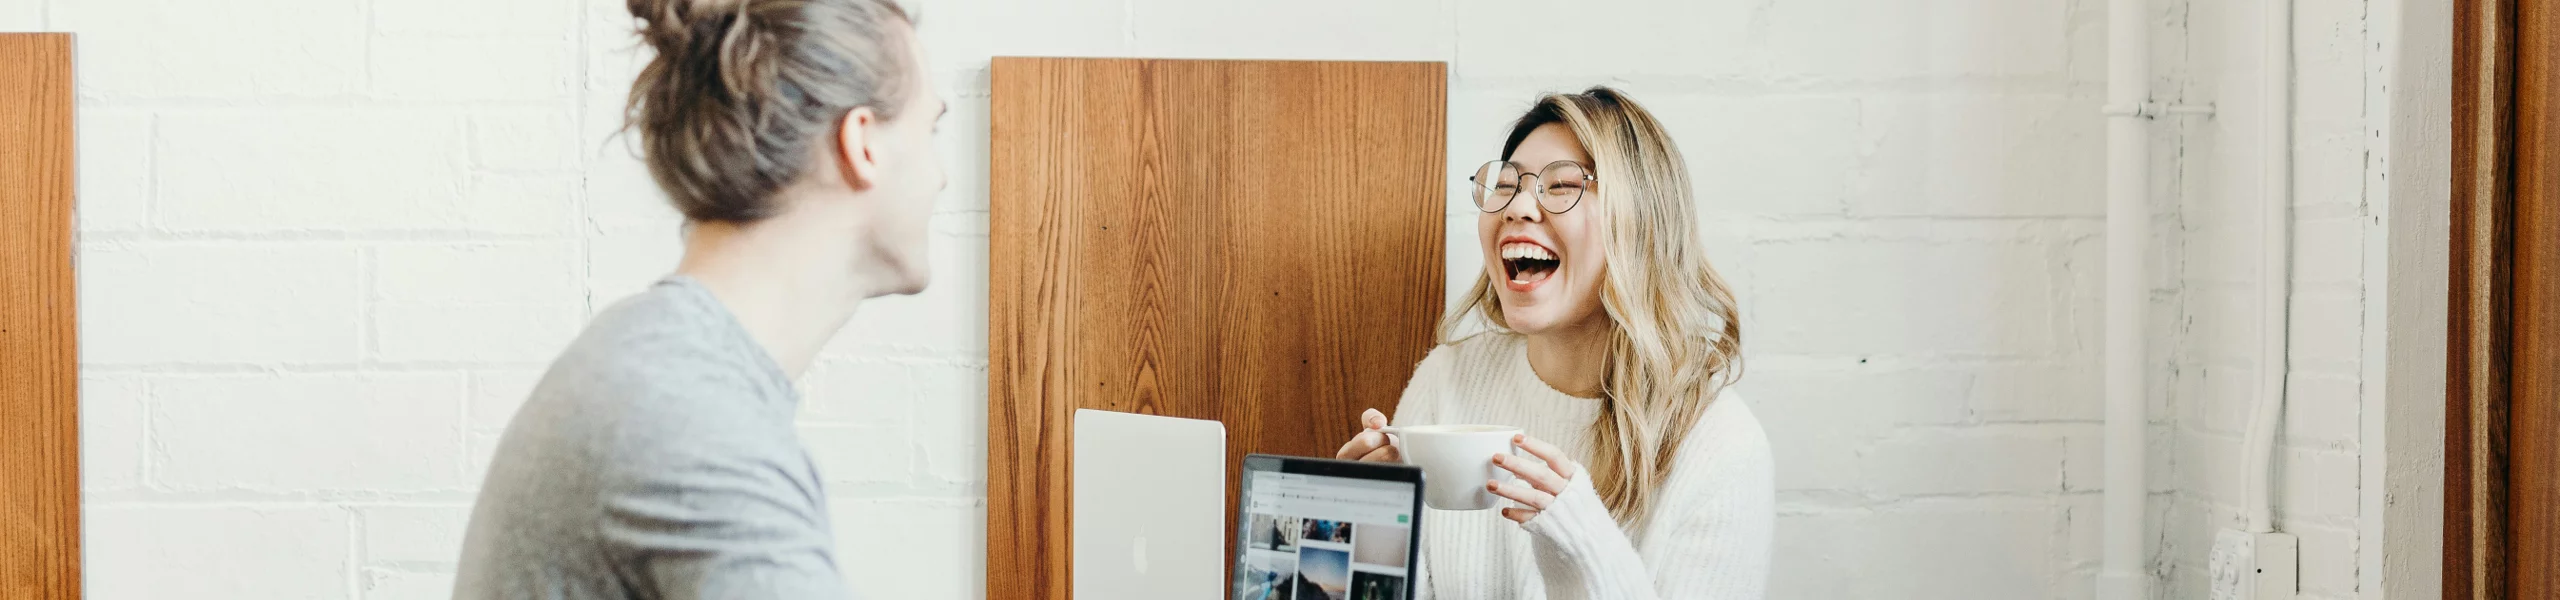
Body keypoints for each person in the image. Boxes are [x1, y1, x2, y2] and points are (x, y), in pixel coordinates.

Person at [451, 0, 944, 597]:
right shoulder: (697, 428)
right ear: (862, 143)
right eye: (930, 129)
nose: (941, 175)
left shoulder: (658, 365)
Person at [1334, 87, 1774, 599]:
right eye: (1505, 185)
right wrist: (1361, 533)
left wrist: (1581, 540)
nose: (1518, 206)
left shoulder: (1721, 445)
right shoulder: (1448, 377)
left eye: (1562, 185)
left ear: (1642, 224)